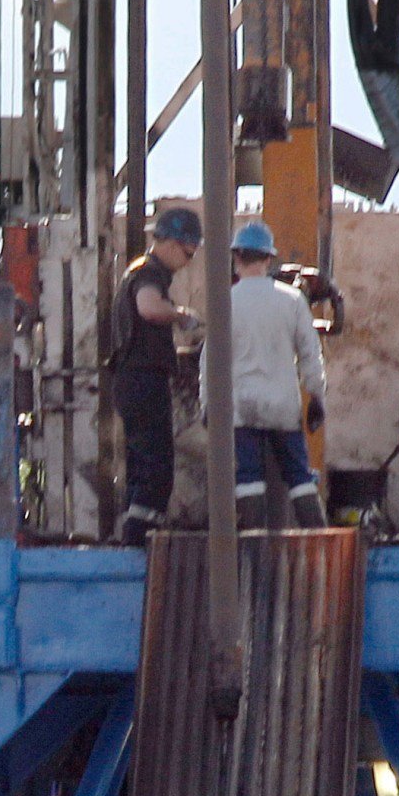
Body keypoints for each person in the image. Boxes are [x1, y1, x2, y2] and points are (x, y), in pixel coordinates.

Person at [216, 220, 330, 529]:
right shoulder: (292, 300)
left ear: (236, 258)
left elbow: (210, 361)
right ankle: (318, 540)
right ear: (269, 259)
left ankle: (252, 543)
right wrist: (317, 396)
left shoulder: (226, 301)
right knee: (299, 476)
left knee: (248, 476)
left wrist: (206, 404)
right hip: (283, 404)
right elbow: (310, 354)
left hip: (243, 405)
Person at [106, 207, 204, 546]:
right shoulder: (149, 274)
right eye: (188, 252)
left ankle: (135, 533)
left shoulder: (137, 270)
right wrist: (180, 315)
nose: (188, 260)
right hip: (143, 380)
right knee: (156, 464)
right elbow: (149, 308)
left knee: (141, 462)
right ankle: (141, 539)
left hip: (130, 379)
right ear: (174, 243)